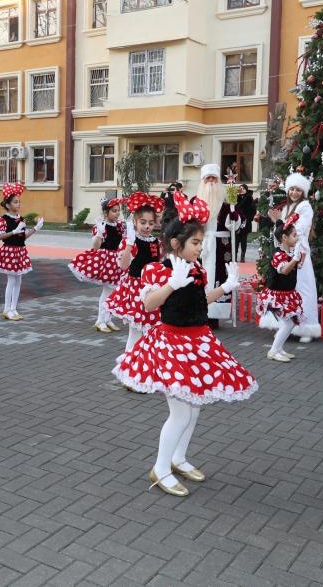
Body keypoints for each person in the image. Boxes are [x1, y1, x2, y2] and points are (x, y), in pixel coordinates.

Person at [112, 192, 256, 496]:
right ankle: (160, 468)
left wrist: (225, 288)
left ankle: (178, 458)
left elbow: (199, 301)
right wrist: (171, 284)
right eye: (195, 243)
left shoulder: (197, 269)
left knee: (194, 409)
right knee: (180, 413)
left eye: (201, 243)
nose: (200, 247)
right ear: (176, 243)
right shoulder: (158, 270)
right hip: (171, 344)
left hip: (197, 341)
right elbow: (150, 305)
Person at [106, 192, 164, 353]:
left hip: (152, 290)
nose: (147, 227)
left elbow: (159, 265)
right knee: (135, 332)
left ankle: (144, 366)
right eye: (143, 222)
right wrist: (130, 245)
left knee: (152, 331)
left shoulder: (157, 242)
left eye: (151, 223)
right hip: (136, 289)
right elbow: (124, 266)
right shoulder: (130, 241)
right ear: (135, 222)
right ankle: (128, 366)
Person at [266, 173, 320, 342]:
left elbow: (297, 230)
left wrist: (278, 222)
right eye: (292, 189)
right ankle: (287, 326)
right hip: (287, 252)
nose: (294, 193)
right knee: (288, 289)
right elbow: (283, 234)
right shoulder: (288, 208)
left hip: (299, 253)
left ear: (303, 192)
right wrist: (278, 224)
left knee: (304, 289)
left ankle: (306, 329)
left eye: (298, 190)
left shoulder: (305, 207)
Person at [69, 195, 126, 333]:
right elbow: (95, 247)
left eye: (118, 210)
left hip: (116, 260)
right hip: (106, 260)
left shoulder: (119, 226)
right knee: (107, 292)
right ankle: (100, 320)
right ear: (105, 213)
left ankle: (107, 319)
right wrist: (99, 234)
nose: (117, 213)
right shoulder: (101, 225)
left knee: (111, 292)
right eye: (114, 210)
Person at [196, 164, 242, 324]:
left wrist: (234, 215)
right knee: (200, 277)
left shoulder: (227, 201)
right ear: (202, 181)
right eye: (207, 178)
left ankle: (215, 317)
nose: (210, 181)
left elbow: (235, 226)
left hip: (221, 247)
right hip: (202, 245)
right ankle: (199, 312)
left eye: (213, 178)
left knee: (220, 276)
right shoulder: (196, 201)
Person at [0, 183, 44, 321]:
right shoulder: (3, 219)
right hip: (9, 251)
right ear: (8, 205)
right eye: (15, 202)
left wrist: (36, 228)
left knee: (18, 280)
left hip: (20, 251)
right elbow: (0, 236)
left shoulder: (21, 219)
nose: (18, 204)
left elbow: (23, 236)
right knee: (11, 280)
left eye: (19, 201)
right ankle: (6, 309)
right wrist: (14, 231)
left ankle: (14, 308)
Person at [258, 215, 304, 362]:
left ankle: (278, 349)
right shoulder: (278, 254)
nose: (296, 238)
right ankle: (273, 350)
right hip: (277, 295)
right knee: (289, 323)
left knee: (289, 323)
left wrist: (299, 257)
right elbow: (284, 270)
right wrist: (296, 258)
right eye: (294, 235)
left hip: (287, 293)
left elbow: (296, 267)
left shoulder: (288, 254)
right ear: (284, 237)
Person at [235, 184, 257, 262]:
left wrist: (249, 218)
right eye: (240, 188)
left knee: (243, 240)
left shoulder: (249, 198)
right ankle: (235, 256)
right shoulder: (237, 197)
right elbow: (234, 207)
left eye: (243, 188)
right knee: (236, 240)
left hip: (245, 222)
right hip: (237, 222)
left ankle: (242, 256)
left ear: (246, 190)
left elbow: (253, 210)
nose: (241, 189)